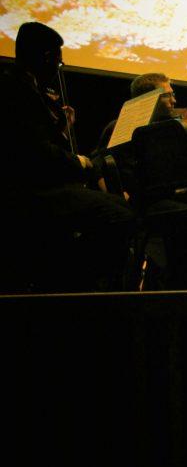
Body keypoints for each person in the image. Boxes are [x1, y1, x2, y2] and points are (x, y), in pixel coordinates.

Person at [3, 22, 135, 292]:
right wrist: (79, 162)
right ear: (46, 57)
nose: (58, 69)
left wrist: (62, 130)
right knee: (121, 215)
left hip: (34, 186)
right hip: (28, 192)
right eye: (58, 62)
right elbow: (35, 155)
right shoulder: (17, 89)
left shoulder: (22, 86)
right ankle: (81, 286)